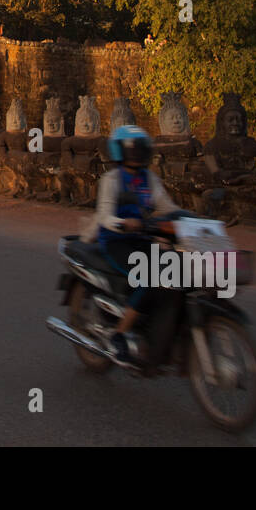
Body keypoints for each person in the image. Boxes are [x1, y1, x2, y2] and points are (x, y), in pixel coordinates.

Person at [83, 124, 179, 364]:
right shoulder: (112, 179)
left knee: (179, 269)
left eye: (141, 149)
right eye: (133, 149)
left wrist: (192, 219)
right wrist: (123, 223)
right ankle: (119, 334)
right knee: (150, 277)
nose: (138, 154)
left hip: (144, 238)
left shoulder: (150, 179)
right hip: (117, 242)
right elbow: (104, 214)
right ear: (121, 151)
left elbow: (167, 207)